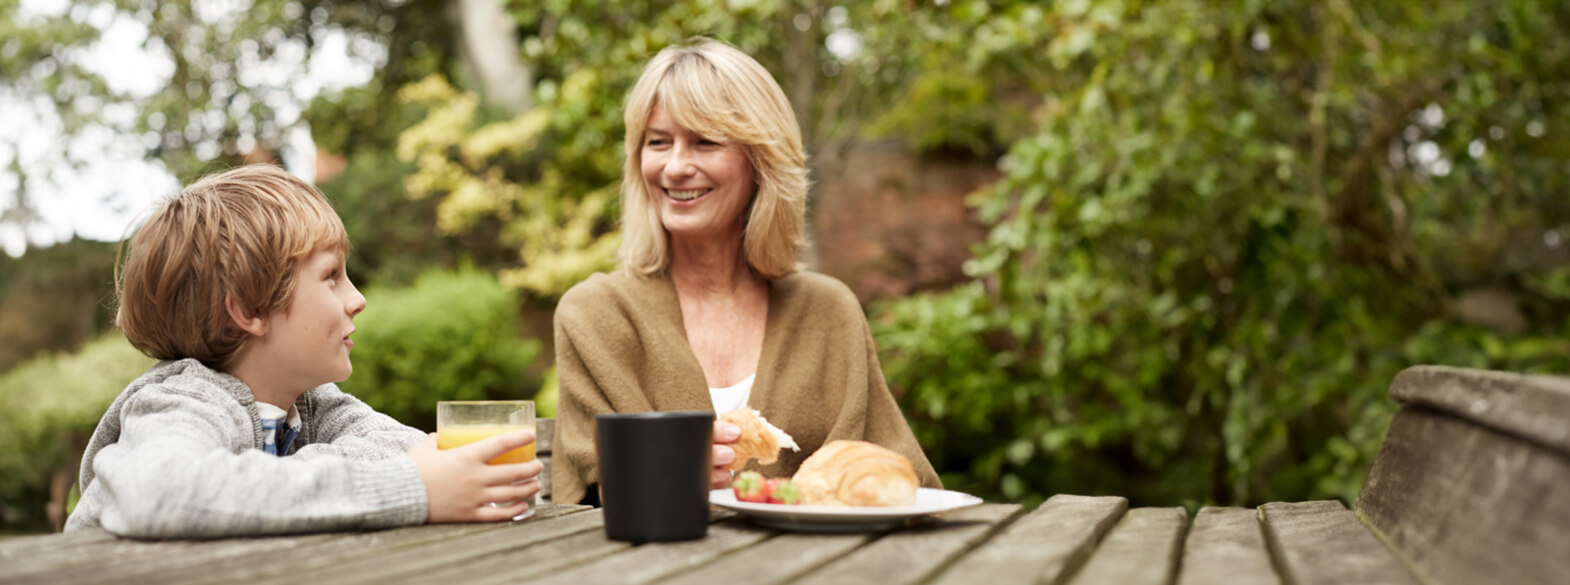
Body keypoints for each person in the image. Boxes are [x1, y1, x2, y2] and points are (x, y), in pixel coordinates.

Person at [552, 38, 941, 506]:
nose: (676, 167)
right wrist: (668, 468)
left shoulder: (828, 311)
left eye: (705, 141)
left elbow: (897, 478)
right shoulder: (594, 316)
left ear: (760, 161)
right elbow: (589, 494)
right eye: (658, 142)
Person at [66, 164, 542, 538]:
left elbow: (409, 448)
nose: (358, 299)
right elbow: (161, 495)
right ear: (250, 309)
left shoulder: (310, 405)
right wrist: (409, 488)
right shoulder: (182, 403)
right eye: (331, 276)